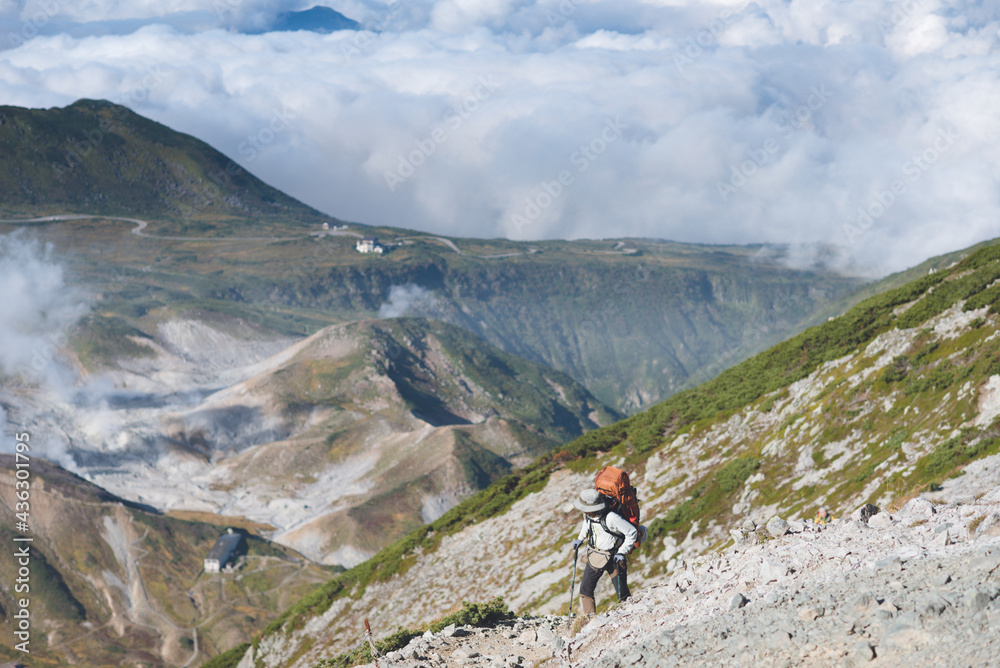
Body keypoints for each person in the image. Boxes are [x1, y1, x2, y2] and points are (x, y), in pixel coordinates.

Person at [571, 488, 638, 614]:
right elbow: (587, 524)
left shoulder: (611, 518)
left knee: (622, 592)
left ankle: (630, 614)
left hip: (614, 557)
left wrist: (622, 551)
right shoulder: (588, 515)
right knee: (585, 589)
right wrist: (580, 539)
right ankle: (590, 622)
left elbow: (632, 532)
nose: (583, 511)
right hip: (596, 555)